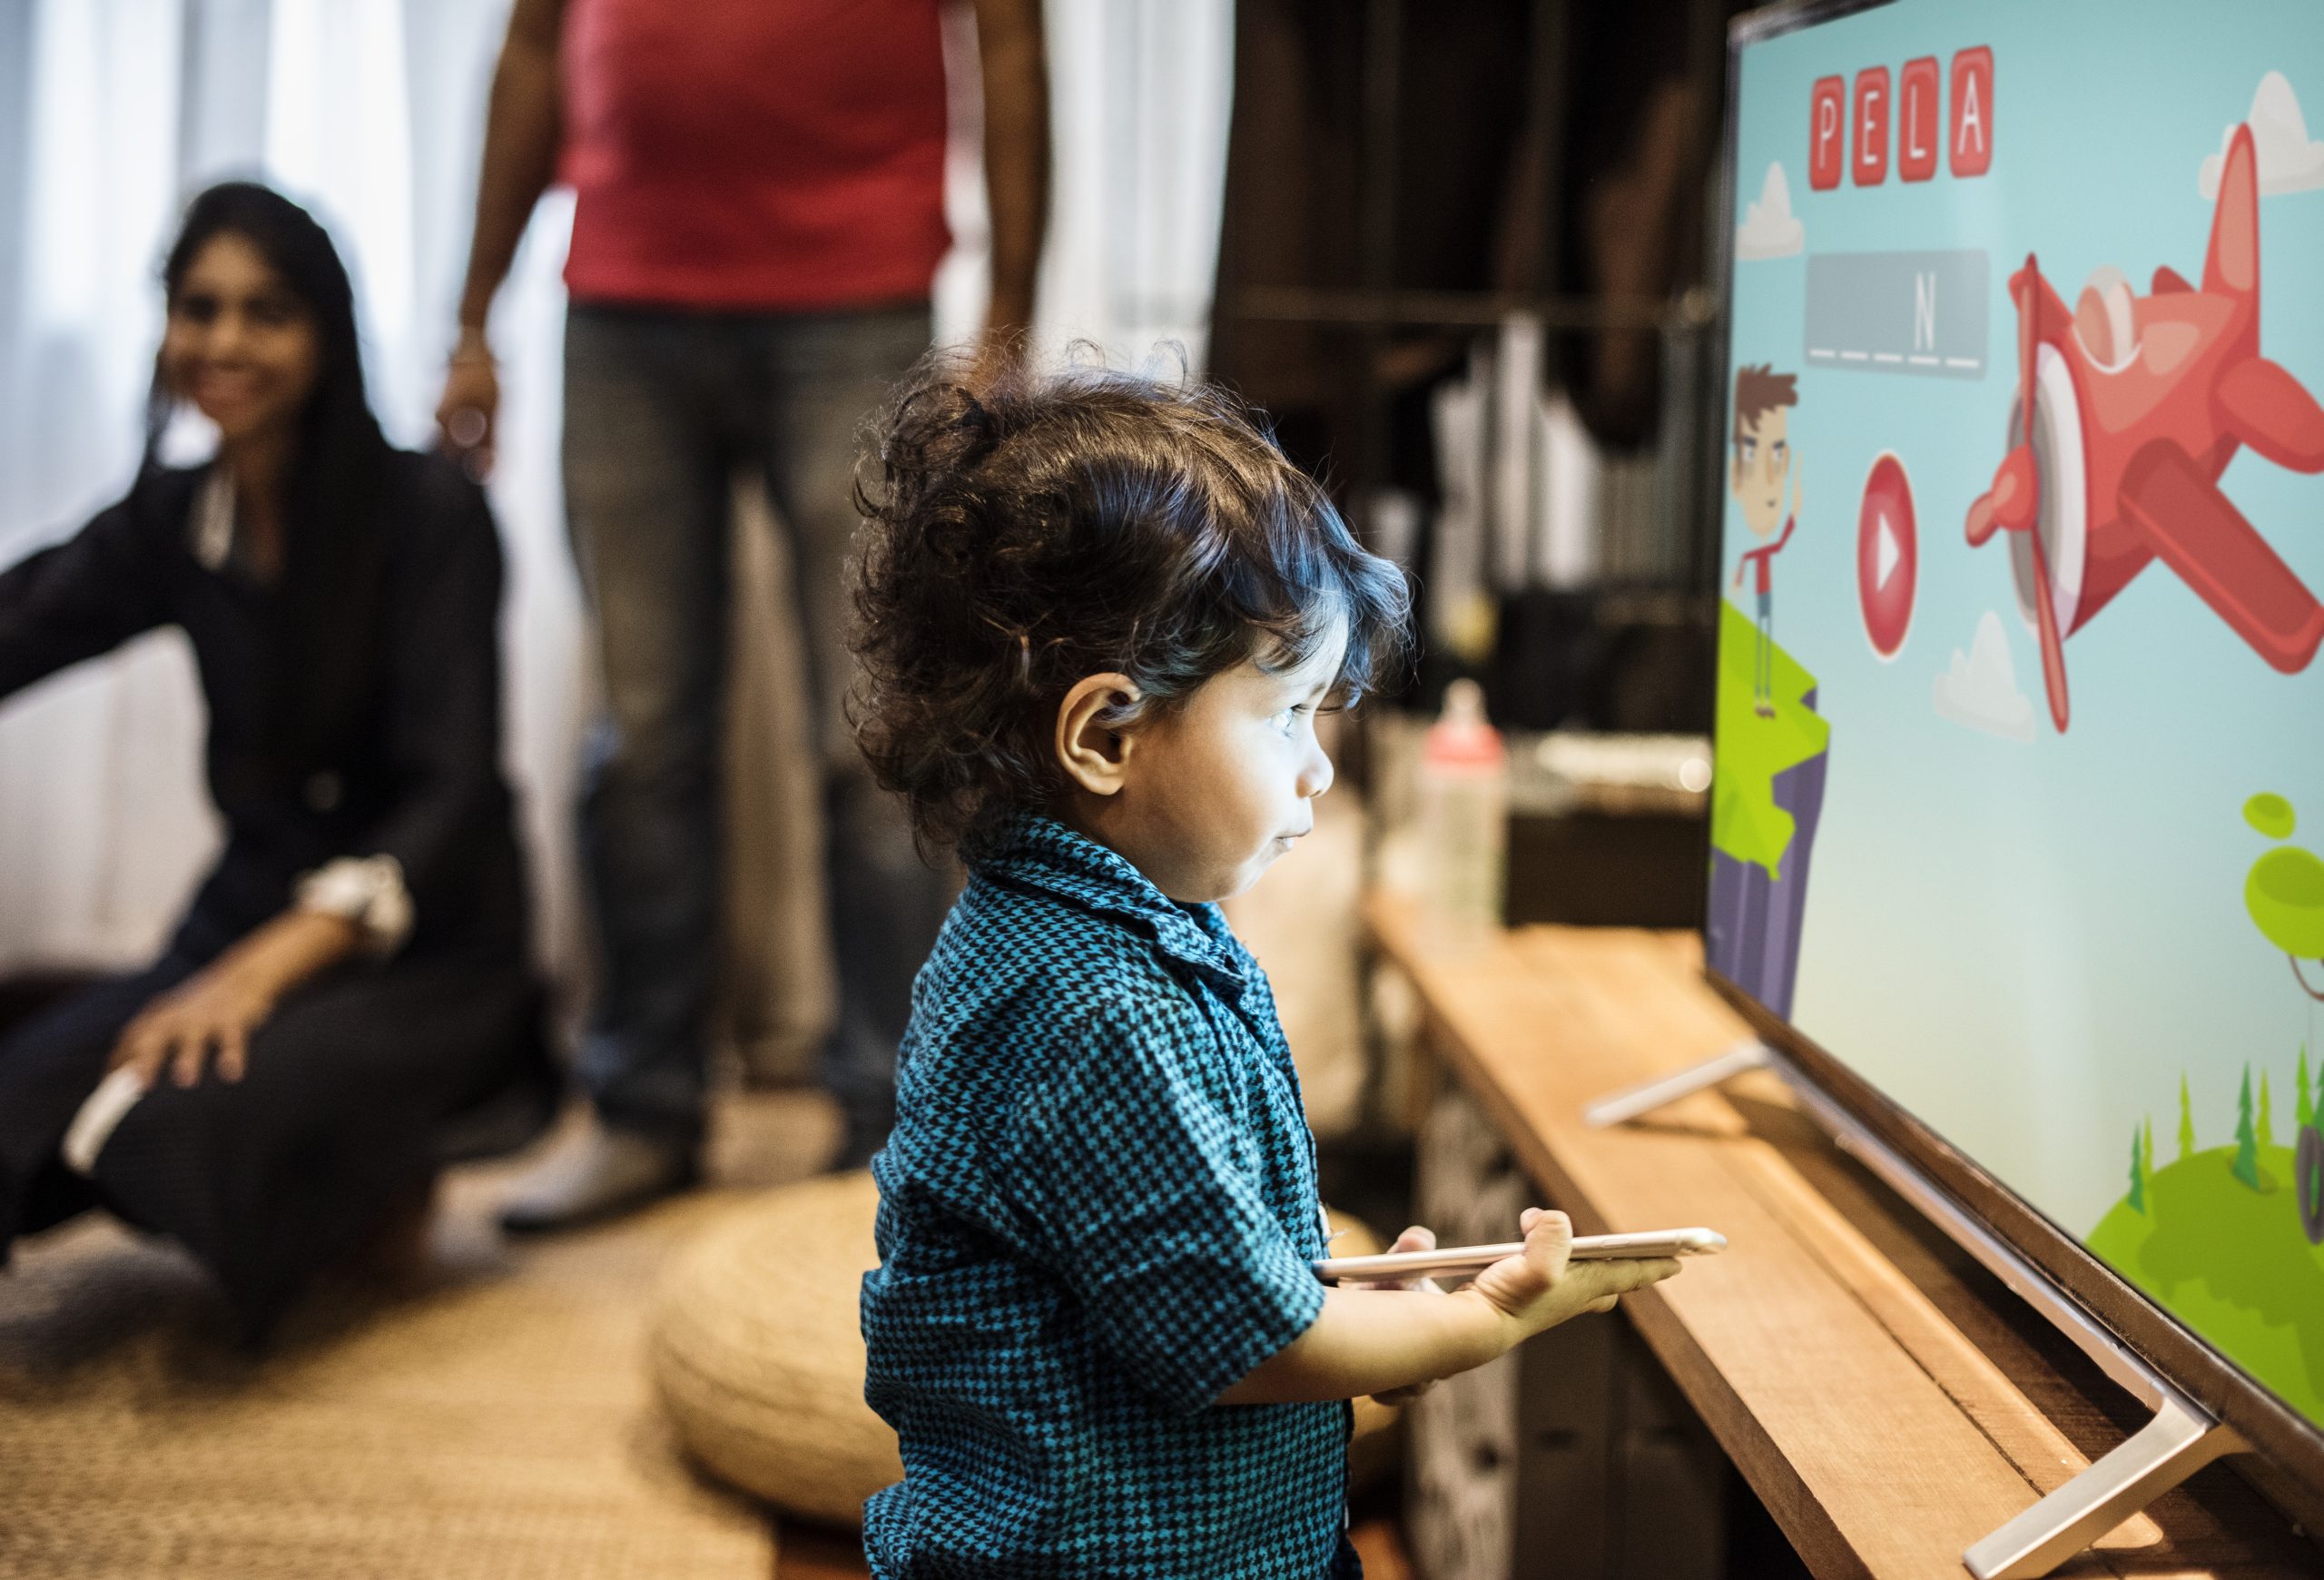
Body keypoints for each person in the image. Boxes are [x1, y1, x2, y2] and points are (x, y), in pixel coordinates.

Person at [847, 358, 1684, 1575]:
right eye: (1286, 714)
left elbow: (1163, 1252)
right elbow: (1244, 1343)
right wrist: (1470, 1323)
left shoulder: (1097, 927)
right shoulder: (1096, 1002)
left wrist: (1358, 1305)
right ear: (1105, 735)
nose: (1317, 767)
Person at [439, 0, 1052, 1230]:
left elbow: (1010, 35)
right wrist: (472, 317)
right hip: (621, 302)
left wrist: (1007, 324)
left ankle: (899, 1130)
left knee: (876, 736)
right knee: (642, 739)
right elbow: (533, 43)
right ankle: (640, 1108)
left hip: (858, 299)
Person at [0, 183, 549, 1339]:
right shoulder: (172, 515)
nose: (225, 343)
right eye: (198, 309)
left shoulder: (429, 511)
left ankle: (393, 1166)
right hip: (245, 915)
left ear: (325, 333)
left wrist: (257, 977)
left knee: (181, 1125)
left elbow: (451, 794)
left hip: (422, 946)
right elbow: (24, 619)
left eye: (266, 312)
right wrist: (234, 963)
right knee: (23, 1102)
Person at [1729, 363, 1801, 718]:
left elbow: (1778, 546)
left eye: (1777, 454)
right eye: (1754, 454)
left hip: (1768, 600)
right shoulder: (1754, 550)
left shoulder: (1763, 550)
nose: (1771, 476)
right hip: (1760, 600)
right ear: (1735, 474)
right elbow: (1763, 552)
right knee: (1761, 647)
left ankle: (1763, 698)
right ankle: (1761, 699)